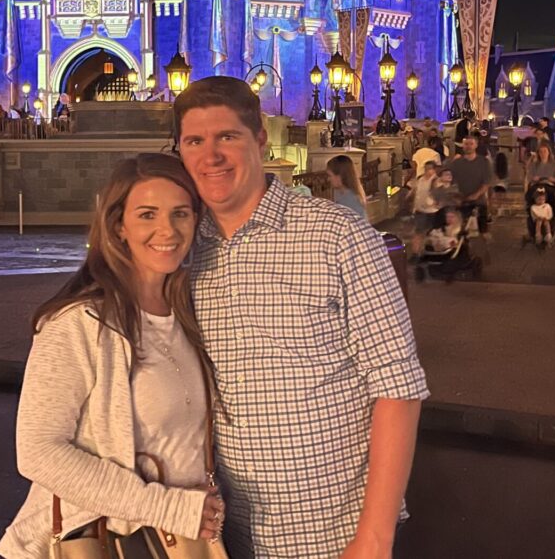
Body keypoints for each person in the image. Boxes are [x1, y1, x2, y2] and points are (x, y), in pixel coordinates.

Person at [174, 77, 428, 558]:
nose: (212, 155)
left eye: (227, 136)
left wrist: (374, 538)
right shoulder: (188, 251)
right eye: (195, 141)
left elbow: (398, 385)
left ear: (260, 139)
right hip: (231, 531)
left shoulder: (335, 233)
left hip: (333, 530)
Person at [0, 154, 225, 558]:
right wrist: (167, 507)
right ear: (119, 226)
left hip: (183, 540)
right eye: (147, 214)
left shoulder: (188, 313)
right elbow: (38, 451)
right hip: (108, 538)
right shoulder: (79, 323)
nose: (166, 230)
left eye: (180, 214)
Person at [446, 135, 493, 236]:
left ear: (476, 145)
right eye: (466, 144)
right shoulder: (457, 163)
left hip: (479, 202)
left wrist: (476, 195)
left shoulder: (483, 162)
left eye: (471, 144)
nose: (468, 146)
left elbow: (487, 182)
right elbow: (449, 180)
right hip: (461, 202)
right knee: (460, 232)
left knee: (483, 233)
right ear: (462, 146)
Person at [410, 160, 443, 259]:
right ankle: (416, 254)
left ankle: (428, 253)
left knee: (431, 233)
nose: (427, 171)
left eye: (430, 169)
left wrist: (437, 203)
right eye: (426, 169)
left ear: (434, 170)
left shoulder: (436, 181)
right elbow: (415, 191)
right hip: (420, 210)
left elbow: (441, 194)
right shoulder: (420, 179)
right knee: (418, 232)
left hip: (432, 211)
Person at [326, 155, 368, 220]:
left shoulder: (351, 200)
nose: (328, 179)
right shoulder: (338, 192)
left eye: (330, 175)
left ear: (340, 176)